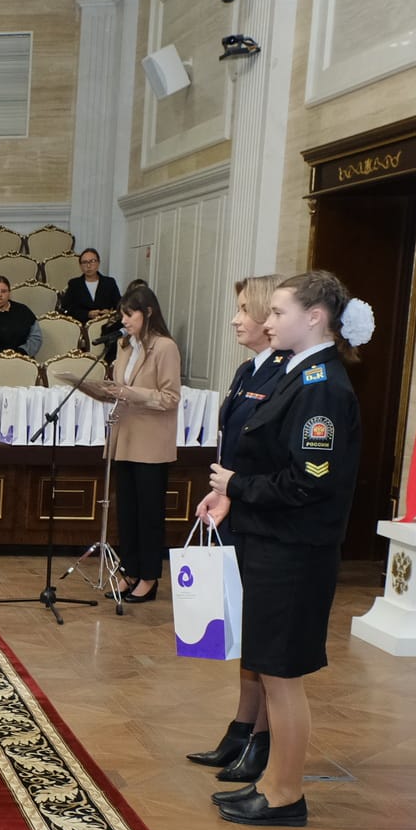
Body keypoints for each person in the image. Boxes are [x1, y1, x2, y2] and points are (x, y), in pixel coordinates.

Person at [197, 271, 366, 829]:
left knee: (282, 676)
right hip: (270, 541)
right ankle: (272, 781)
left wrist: (237, 486)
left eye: (277, 312)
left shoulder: (322, 386)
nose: (267, 322)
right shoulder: (298, 374)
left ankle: (285, 793)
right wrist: (234, 494)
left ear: (314, 317)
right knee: (269, 668)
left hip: (294, 550)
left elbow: (310, 480)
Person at [187, 275, 286, 783]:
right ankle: (242, 727)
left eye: (246, 308)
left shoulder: (286, 376)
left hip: (262, 516)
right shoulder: (250, 369)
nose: (236, 318)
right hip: (238, 508)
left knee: (263, 637)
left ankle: (262, 740)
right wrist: (223, 493)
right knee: (245, 629)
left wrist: (235, 489)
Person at [66, 284, 180, 602]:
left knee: (149, 513)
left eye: (130, 315)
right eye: (122, 315)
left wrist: (130, 393)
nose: (124, 321)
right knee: (127, 511)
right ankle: (129, 572)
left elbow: (170, 397)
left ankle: (149, 577)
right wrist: (103, 390)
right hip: (124, 437)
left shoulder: (165, 347)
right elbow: (120, 386)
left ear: (148, 313)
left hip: (151, 443)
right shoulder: (124, 346)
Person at [58, 248, 122, 320]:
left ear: (98, 263)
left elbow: (119, 306)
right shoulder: (74, 284)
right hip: (82, 323)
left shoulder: (109, 282)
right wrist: (87, 314)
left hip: (105, 323)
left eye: (92, 261)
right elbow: (66, 309)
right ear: (80, 266)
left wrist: (110, 313)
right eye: (84, 262)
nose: (88, 266)